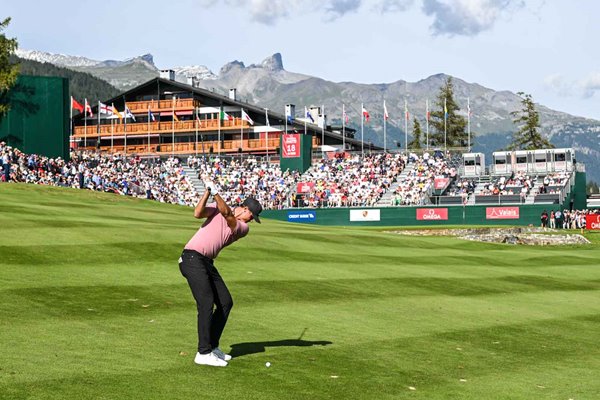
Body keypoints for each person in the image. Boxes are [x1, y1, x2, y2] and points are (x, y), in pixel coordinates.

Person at [179, 182, 262, 367]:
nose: (251, 220)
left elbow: (227, 215)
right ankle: (203, 353)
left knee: (225, 302)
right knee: (206, 303)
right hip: (192, 258)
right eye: (251, 215)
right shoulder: (219, 210)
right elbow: (198, 213)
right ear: (244, 208)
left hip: (206, 262)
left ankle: (213, 346)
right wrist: (208, 192)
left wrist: (216, 194)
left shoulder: (242, 228)